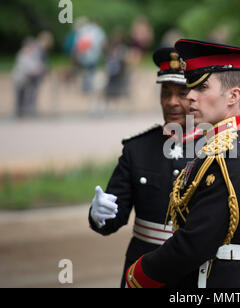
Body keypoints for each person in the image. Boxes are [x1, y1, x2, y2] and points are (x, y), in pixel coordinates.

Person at [125, 39, 240, 288]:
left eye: (201, 87)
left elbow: (195, 243)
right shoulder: (236, 144)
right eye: (190, 86)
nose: (189, 96)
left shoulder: (227, 156)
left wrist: (139, 274)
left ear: (233, 96)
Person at [88, 47, 201, 288]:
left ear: (195, 96)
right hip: (142, 272)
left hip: (194, 275)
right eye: (165, 93)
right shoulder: (137, 149)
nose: (171, 102)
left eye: (181, 93)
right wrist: (99, 215)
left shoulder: (215, 148)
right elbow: (113, 219)